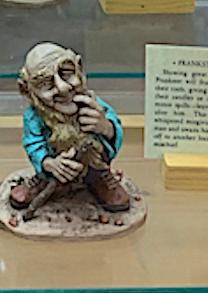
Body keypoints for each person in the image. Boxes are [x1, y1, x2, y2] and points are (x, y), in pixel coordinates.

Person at [7, 42, 131, 214]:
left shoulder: (92, 105)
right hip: (57, 167)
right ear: (27, 90)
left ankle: (100, 178)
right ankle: (44, 180)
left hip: (93, 161)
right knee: (49, 175)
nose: (63, 88)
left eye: (66, 74)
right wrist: (48, 163)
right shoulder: (35, 117)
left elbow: (114, 128)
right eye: (45, 84)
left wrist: (105, 127)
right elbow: (33, 143)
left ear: (79, 68)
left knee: (97, 164)